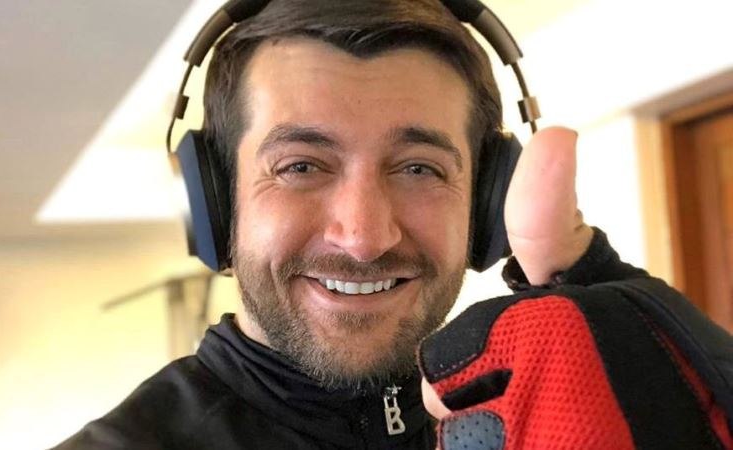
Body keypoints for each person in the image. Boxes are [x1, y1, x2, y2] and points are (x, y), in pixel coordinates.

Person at [52, 0, 733, 449]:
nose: (364, 237)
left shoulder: (546, 422)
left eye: (418, 169)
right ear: (216, 203)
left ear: (484, 203)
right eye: (300, 166)